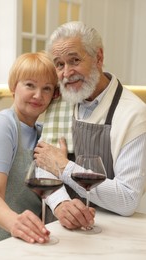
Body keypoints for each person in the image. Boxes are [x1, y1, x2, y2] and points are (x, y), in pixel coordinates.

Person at [34, 21, 146, 220]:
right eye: (59, 64)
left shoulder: (134, 114)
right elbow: (44, 164)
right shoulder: (60, 103)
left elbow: (127, 200)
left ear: (98, 57)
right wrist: (60, 203)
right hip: (62, 224)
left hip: (113, 232)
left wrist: (65, 167)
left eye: (74, 60)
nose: (66, 73)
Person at [0, 52, 59, 250]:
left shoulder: (43, 133)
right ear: (13, 87)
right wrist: (17, 224)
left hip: (23, 244)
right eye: (30, 85)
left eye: (47, 88)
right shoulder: (1, 125)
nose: (38, 95)